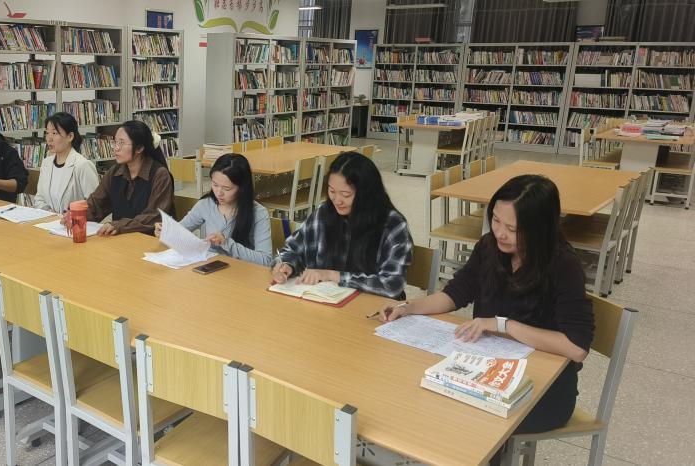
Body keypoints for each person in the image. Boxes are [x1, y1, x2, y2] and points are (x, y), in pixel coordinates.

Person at [378, 175, 594, 457]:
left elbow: (576, 347)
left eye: (512, 228)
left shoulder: (563, 266)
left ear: (539, 228)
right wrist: (408, 307)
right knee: (427, 395)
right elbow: (456, 292)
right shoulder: (490, 247)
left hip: (542, 389)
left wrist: (505, 325)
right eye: (495, 220)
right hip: (486, 369)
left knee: (464, 418)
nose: (500, 233)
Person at [271, 151, 413, 299]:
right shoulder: (323, 214)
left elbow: (392, 285)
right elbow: (292, 250)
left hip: (373, 308)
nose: (337, 200)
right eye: (332, 191)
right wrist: (286, 265)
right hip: (325, 302)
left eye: (346, 195)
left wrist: (333, 275)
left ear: (367, 194)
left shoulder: (393, 226)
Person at [155, 153, 272, 266]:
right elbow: (181, 231)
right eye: (215, 185)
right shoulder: (206, 204)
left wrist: (226, 243)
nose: (218, 193)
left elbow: (265, 260)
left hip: (243, 272)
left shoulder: (259, 213)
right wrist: (166, 232)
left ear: (242, 188)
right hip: (211, 268)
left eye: (227, 188)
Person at [65, 120, 174, 236]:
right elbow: (97, 204)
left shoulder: (160, 175)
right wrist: (76, 214)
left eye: (121, 143)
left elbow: (153, 217)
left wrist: (119, 226)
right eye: (115, 142)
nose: (116, 148)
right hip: (120, 239)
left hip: (149, 241)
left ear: (139, 148)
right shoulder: (115, 171)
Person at [33, 112, 100, 212]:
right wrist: (51, 215)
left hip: (75, 220)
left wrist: (70, 216)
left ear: (70, 136)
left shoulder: (83, 165)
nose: (49, 139)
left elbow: (95, 206)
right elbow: (39, 199)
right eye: (47, 133)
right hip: (49, 220)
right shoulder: (46, 163)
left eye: (54, 133)